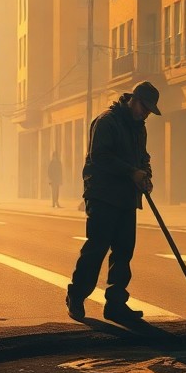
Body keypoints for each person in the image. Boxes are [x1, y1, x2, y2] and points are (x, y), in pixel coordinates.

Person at [65, 80, 160, 322]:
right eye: (144, 108)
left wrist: (145, 174)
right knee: (96, 249)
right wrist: (132, 172)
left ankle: (116, 305)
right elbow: (100, 157)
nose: (146, 113)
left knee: (123, 252)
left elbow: (143, 156)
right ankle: (76, 296)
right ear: (133, 100)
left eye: (149, 110)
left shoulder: (139, 127)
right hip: (103, 195)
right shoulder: (107, 121)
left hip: (127, 198)